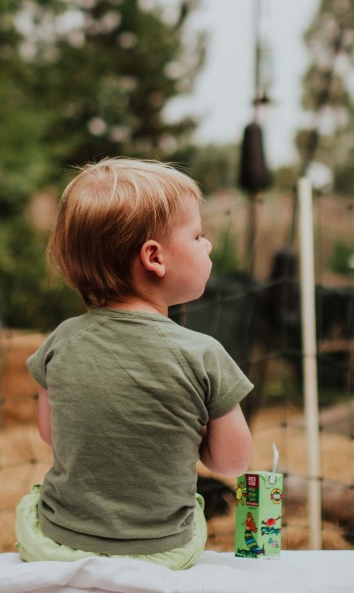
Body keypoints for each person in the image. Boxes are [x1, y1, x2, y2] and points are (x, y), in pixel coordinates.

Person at [17, 158, 254, 569]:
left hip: (55, 547)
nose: (208, 244)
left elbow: (52, 433)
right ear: (154, 258)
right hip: (166, 552)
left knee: (29, 504)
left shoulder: (61, 341)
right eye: (197, 235)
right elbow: (233, 462)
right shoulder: (204, 354)